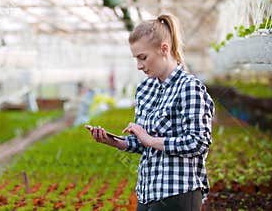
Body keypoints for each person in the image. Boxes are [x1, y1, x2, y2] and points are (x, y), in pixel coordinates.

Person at [90, 14, 215, 211]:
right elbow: (143, 144)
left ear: (164, 48)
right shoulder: (145, 89)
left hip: (179, 192)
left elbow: (198, 142)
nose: (139, 65)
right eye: (136, 59)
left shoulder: (189, 88)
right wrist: (114, 141)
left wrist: (150, 140)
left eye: (143, 57)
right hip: (148, 192)